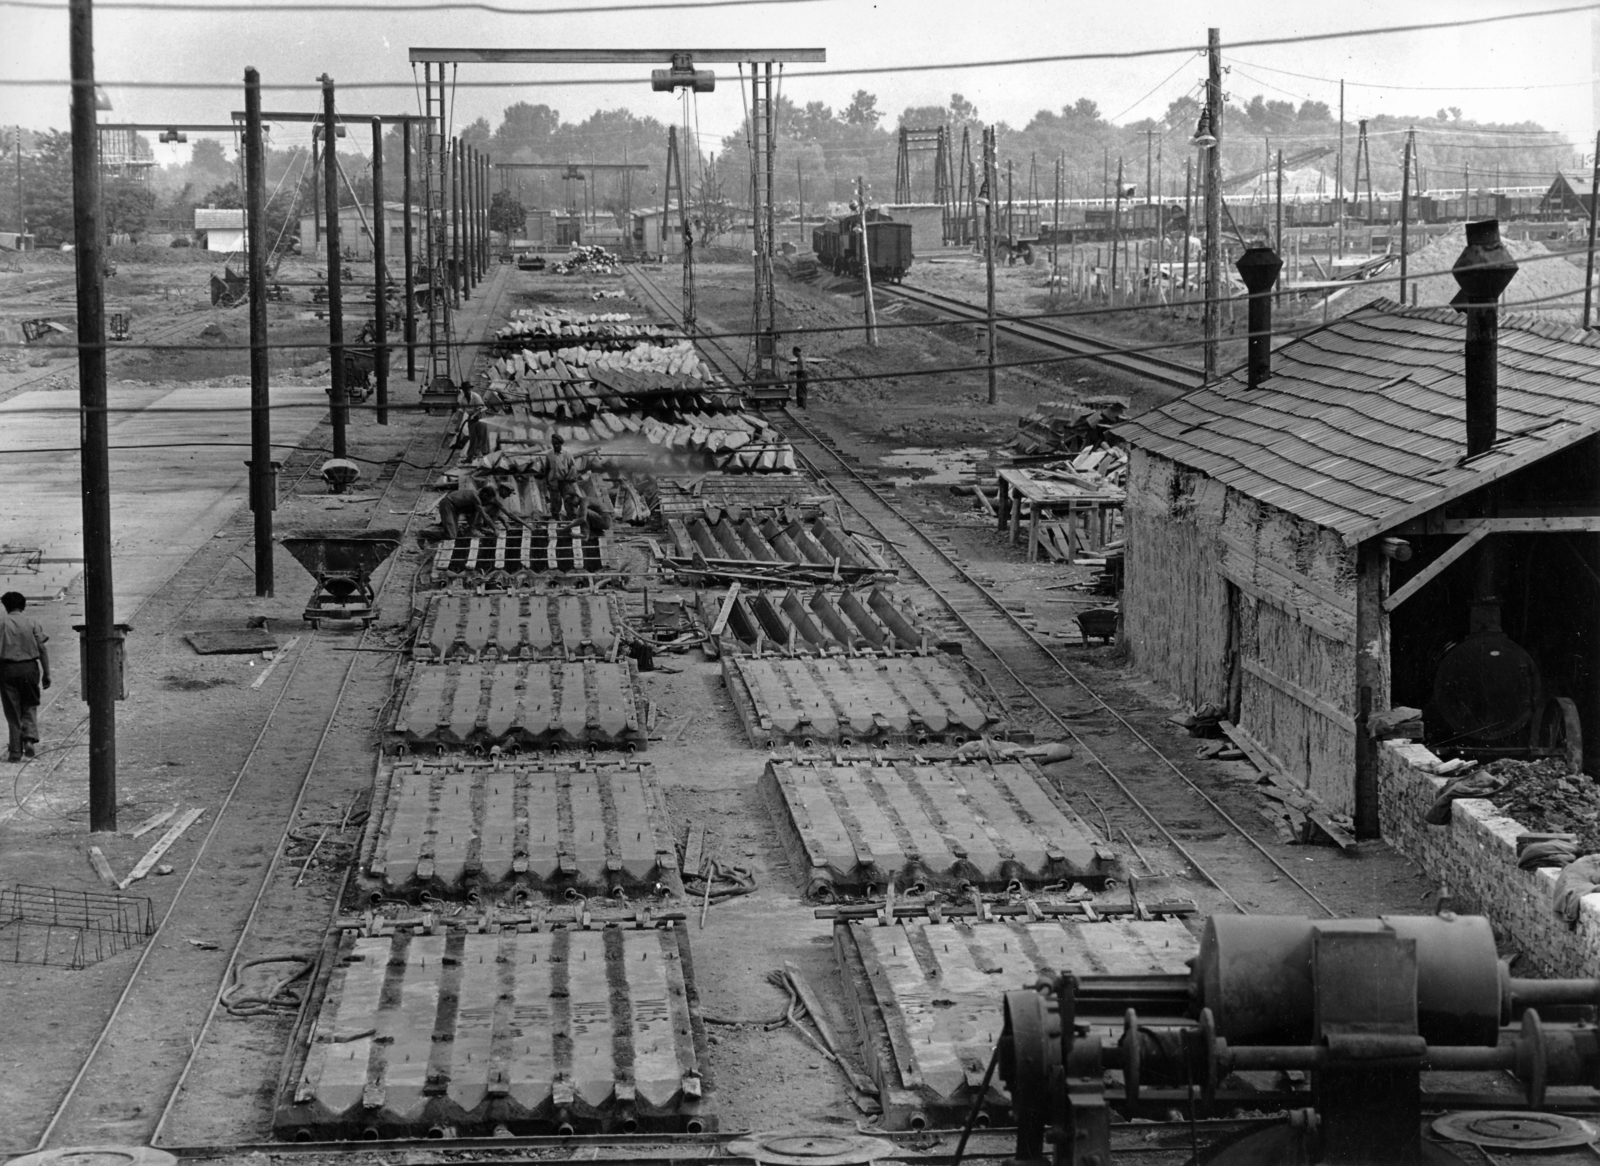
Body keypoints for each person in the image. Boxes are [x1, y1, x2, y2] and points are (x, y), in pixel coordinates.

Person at [0, 592, 50, 763]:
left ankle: (15, 752)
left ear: (5, 606)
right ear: (24, 605)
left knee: (12, 711)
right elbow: (42, 649)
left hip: (7, 669)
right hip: (29, 668)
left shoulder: (1, 623)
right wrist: (47, 673)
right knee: (29, 704)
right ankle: (29, 738)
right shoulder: (32, 622)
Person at [544, 434, 586, 528]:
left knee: (569, 501)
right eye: (554, 444)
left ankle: (571, 521)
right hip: (554, 482)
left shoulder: (567, 454)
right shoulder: (549, 455)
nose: (555, 446)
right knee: (555, 501)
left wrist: (569, 477)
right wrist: (547, 482)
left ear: (561, 444)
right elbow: (547, 468)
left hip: (566, 482)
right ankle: (556, 521)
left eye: (557, 444)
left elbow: (572, 467)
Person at [437, 481, 503, 541]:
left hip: (456, 508)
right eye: (488, 498)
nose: (488, 501)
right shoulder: (475, 497)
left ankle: (471, 528)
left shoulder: (478, 496)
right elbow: (484, 515)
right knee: (451, 536)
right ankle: (427, 534)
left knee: (475, 509)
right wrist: (495, 529)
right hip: (448, 504)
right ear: (485, 494)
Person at [791, 345, 809, 410]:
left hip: (802, 375)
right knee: (798, 390)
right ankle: (799, 404)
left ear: (796, 351)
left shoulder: (802, 359)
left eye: (794, 353)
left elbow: (802, 369)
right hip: (800, 375)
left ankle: (803, 406)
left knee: (802, 390)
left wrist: (793, 372)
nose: (793, 354)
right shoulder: (799, 358)